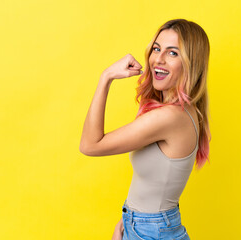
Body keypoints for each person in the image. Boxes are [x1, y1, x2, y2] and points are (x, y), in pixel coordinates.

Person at [80, 19, 210, 240]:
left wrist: (106, 77)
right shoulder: (185, 111)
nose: (158, 59)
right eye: (157, 49)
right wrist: (129, 221)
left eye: (172, 53)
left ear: (191, 63)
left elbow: (90, 145)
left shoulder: (169, 117)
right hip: (145, 226)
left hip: (151, 230)